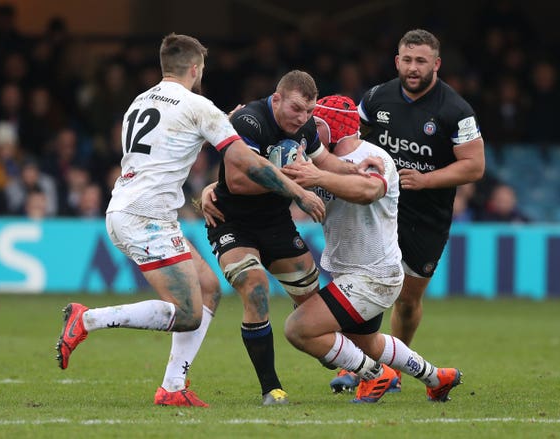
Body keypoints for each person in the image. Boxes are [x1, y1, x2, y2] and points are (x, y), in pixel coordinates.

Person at [54, 34, 325, 408]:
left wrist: (224, 124)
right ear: (196, 69)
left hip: (132, 207)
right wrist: (299, 192)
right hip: (146, 217)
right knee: (186, 314)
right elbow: (249, 163)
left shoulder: (140, 101)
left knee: (209, 288)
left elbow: (171, 143)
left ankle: (172, 386)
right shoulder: (198, 106)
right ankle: (87, 320)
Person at [200, 70, 381, 406]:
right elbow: (238, 183)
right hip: (231, 222)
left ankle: (351, 365)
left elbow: (324, 161)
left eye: (310, 111)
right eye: (297, 109)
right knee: (255, 287)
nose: (303, 118)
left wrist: (356, 170)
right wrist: (298, 188)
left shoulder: (305, 128)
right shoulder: (248, 121)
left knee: (312, 308)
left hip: (276, 224)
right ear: (278, 98)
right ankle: (272, 388)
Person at [330, 29, 484, 392]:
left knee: (408, 300)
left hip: (425, 217)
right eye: (408, 60)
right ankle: (361, 366)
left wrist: (426, 180)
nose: (413, 68)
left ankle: (396, 364)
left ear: (436, 64)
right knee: (364, 285)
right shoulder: (376, 97)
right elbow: (347, 135)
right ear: (397, 61)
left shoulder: (456, 111)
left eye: (422, 61)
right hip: (380, 209)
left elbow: (474, 166)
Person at [282, 94, 462, 404]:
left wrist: (317, 176)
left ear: (332, 128)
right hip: (349, 273)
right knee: (368, 344)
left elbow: (368, 191)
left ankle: (377, 375)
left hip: (373, 276)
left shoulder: (375, 158)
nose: (308, 129)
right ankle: (436, 377)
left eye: (316, 123)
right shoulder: (317, 161)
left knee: (299, 329)